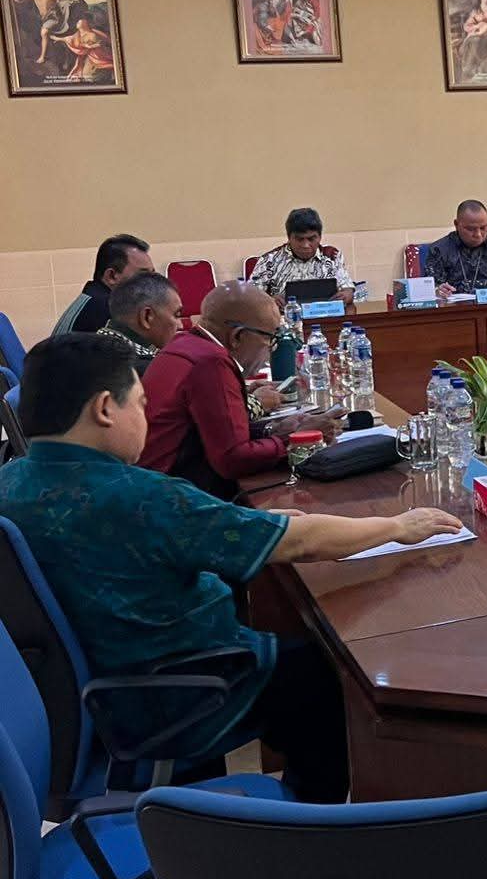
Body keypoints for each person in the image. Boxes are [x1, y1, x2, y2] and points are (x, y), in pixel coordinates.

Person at [0, 333, 461, 802]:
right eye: (140, 404)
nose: (146, 417)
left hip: (90, 691)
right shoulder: (140, 496)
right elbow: (301, 542)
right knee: (330, 675)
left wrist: (243, 521)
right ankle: (310, 823)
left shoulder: (9, 482)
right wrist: (399, 525)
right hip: (180, 689)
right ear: (104, 409)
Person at [140, 281, 341, 500]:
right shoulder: (210, 362)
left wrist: (273, 430)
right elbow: (232, 460)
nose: (271, 348)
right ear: (237, 336)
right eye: (270, 338)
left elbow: (211, 434)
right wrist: (295, 439)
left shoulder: (184, 344)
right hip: (173, 498)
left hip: (156, 485)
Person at [52, 234, 155, 336]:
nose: (152, 282)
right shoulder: (107, 310)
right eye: (143, 275)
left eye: (153, 274)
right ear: (112, 276)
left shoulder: (92, 298)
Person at [249, 207, 355, 303]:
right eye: (299, 239)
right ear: (289, 238)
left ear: (320, 237)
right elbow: (250, 298)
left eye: (311, 239)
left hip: (326, 315)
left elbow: (348, 289)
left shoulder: (332, 256)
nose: (305, 245)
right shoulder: (269, 260)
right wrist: (270, 301)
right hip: (284, 316)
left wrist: (347, 294)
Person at [425, 200, 487, 297]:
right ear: (456, 224)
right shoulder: (439, 250)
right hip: (454, 306)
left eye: (483, 228)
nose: (478, 234)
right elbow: (430, 288)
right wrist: (438, 290)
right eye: (471, 229)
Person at [97, 271, 184, 374]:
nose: (181, 326)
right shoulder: (147, 372)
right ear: (147, 317)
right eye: (176, 315)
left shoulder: (91, 349)